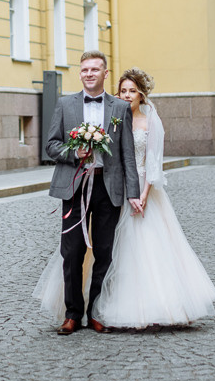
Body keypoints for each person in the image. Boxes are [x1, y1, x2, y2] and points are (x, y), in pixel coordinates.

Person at [90, 68, 215, 328]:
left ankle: (162, 305)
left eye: (132, 91)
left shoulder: (150, 121)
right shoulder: (113, 119)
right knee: (117, 247)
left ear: (141, 95)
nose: (127, 96)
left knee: (149, 246)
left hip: (143, 190)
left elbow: (154, 163)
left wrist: (142, 195)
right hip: (119, 189)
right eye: (123, 91)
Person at [38, 50, 141, 335]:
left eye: (95, 70)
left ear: (105, 73)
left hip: (108, 187)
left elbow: (127, 155)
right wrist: (74, 152)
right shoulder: (64, 105)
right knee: (72, 252)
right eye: (85, 70)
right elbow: (51, 146)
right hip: (75, 185)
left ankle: (96, 311)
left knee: (105, 251)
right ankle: (72, 314)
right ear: (79, 73)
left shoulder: (120, 108)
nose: (89, 74)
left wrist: (133, 192)